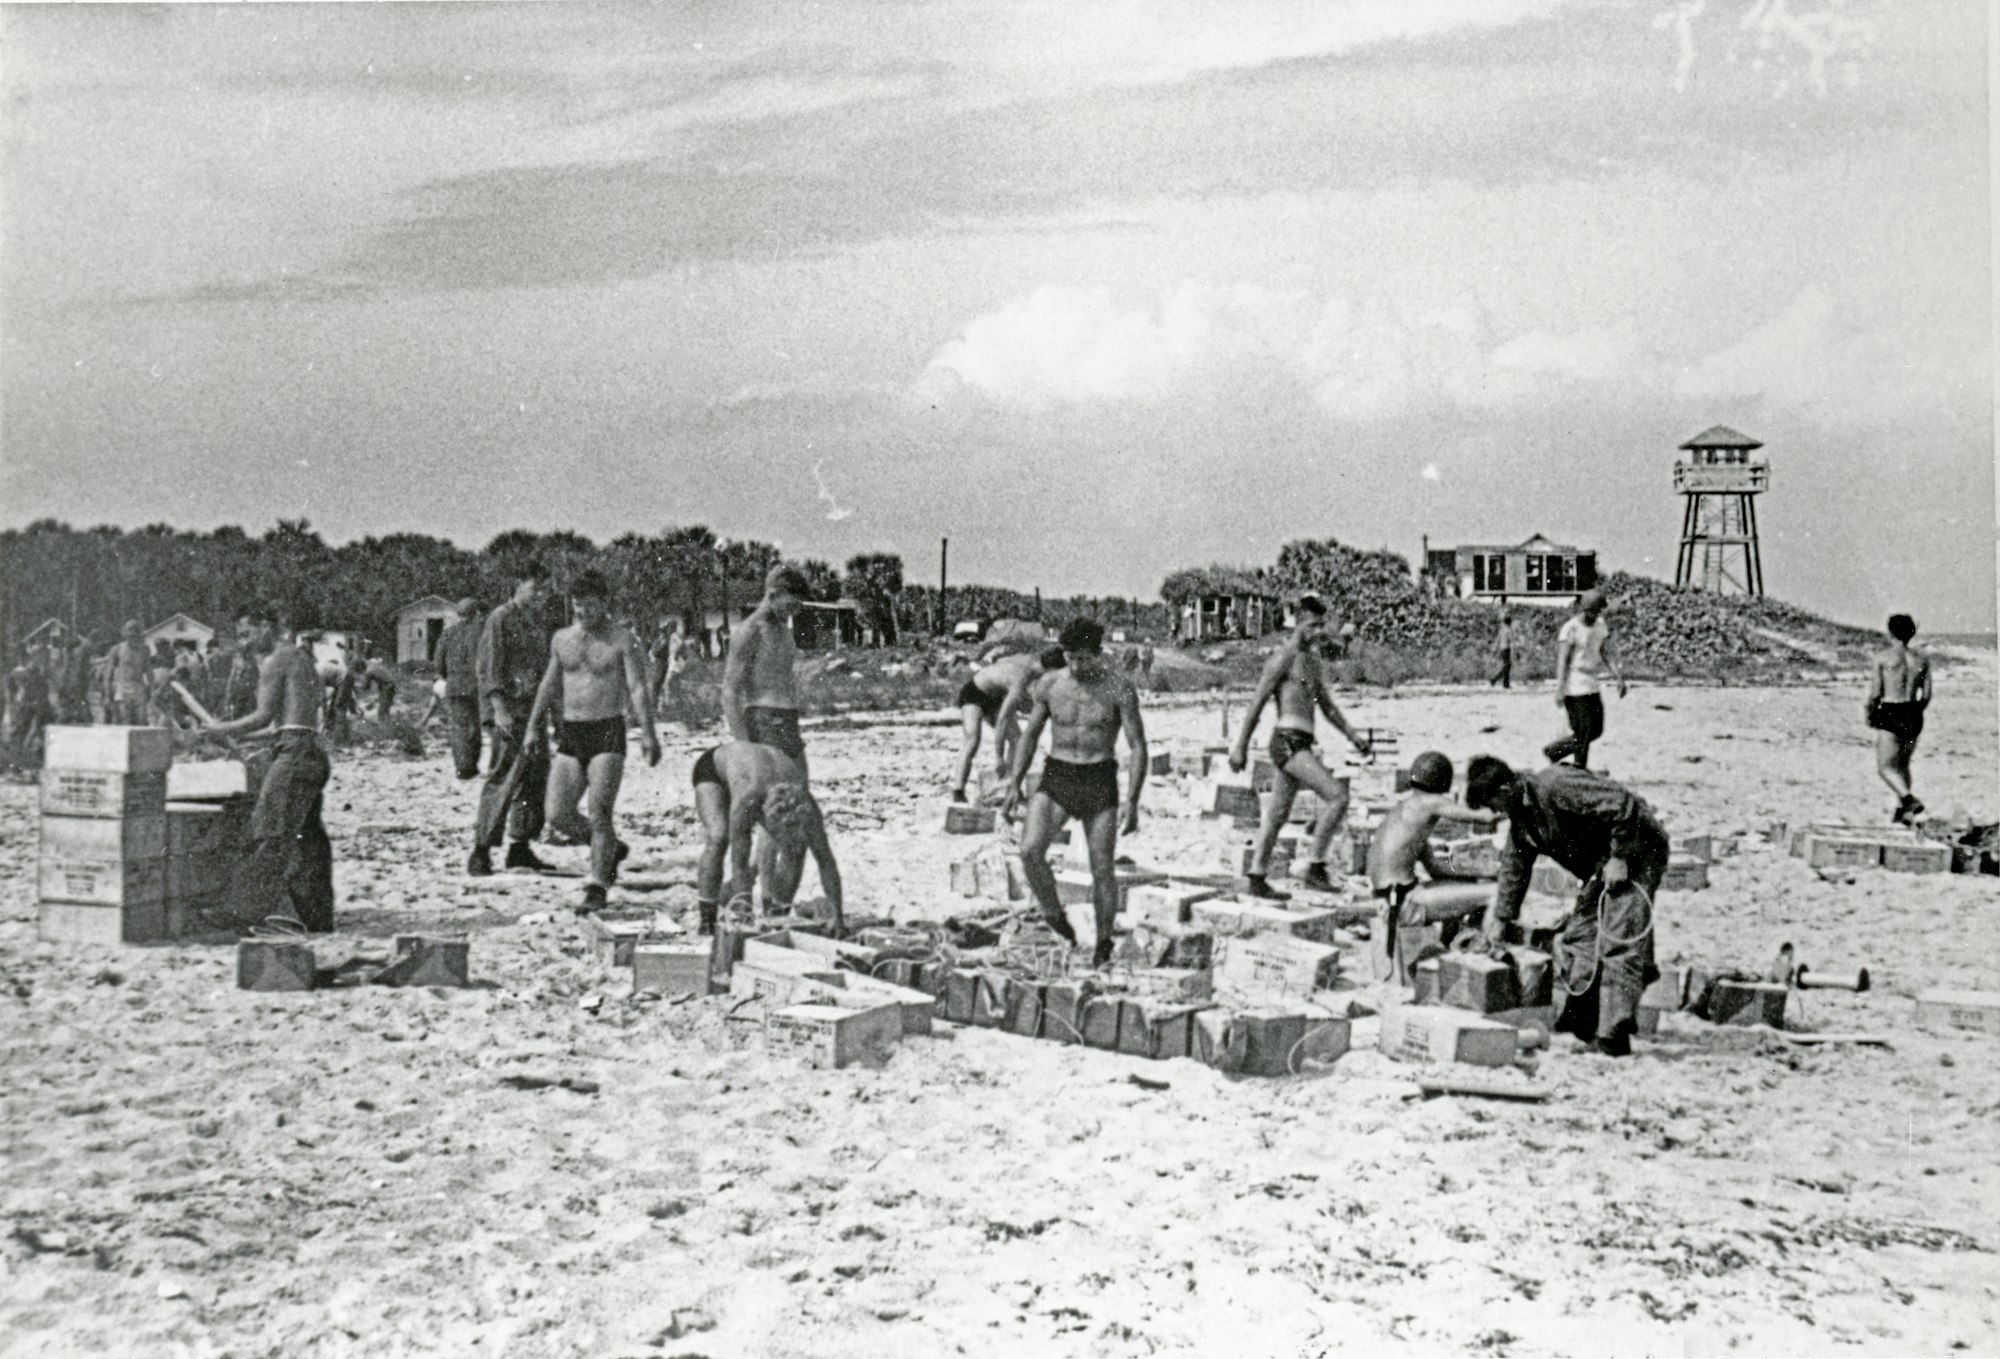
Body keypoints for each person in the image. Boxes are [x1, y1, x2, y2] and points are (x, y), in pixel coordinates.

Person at [1468, 754, 1668, 1058]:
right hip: (1600, 867)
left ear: (1506, 788)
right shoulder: (1522, 820)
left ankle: (1613, 1038)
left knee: (1618, 942)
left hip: (1638, 852)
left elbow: (1622, 803)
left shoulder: (1557, 785)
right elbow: (1514, 868)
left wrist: (1620, 856)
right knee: (1580, 938)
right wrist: (1501, 919)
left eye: (1492, 803)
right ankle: (1583, 1023)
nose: (1493, 812)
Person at [1002, 618, 1148, 968]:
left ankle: (1103, 942)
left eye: (1084, 658)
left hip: (1099, 778)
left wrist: (1133, 800)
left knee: (1102, 869)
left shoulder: (1119, 688)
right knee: (1029, 850)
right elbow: (1030, 736)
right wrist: (1014, 783)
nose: (1078, 666)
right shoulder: (1050, 685)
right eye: (1071, 658)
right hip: (1059, 774)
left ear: (1098, 654)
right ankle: (1055, 916)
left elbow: (1138, 745)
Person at [524, 570, 660, 912]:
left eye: (590, 606)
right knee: (557, 815)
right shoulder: (562, 639)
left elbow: (638, 688)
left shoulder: (622, 640)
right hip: (571, 731)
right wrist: (531, 727)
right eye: (577, 606)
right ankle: (610, 848)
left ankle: (597, 884)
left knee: (600, 812)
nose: (583, 613)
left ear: (605, 604)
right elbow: (548, 685)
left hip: (607, 731)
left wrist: (648, 732)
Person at [203, 605, 335, 933]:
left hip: (293, 756)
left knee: (268, 832)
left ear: (266, 626)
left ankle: (242, 911)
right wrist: (238, 734)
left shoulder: (275, 660)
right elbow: (285, 723)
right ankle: (317, 917)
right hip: (311, 752)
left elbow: (262, 716)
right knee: (307, 840)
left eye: (247, 635)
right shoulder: (300, 657)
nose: (243, 644)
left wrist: (222, 730)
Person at [1228, 595, 1372, 899]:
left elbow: (1328, 708)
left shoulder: (1313, 662)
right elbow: (1256, 703)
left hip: (1300, 742)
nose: (1317, 631)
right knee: (1337, 797)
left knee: (1277, 816)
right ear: (1297, 623)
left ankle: (1256, 876)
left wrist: (1353, 736)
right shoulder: (1283, 658)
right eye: (1311, 625)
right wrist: (1239, 746)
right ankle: (1314, 866)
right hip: (1287, 742)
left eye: (1321, 625)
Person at [1365, 751, 1499, 981]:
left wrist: (1481, 873)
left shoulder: (1405, 811)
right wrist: (1503, 808)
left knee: (1464, 887)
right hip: (1404, 904)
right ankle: (1483, 967)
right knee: (1495, 894)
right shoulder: (1430, 802)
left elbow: (1437, 870)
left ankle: (1451, 950)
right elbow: (1483, 817)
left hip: (1388, 900)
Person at [692, 740, 842, 936]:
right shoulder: (748, 797)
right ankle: (707, 922)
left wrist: (838, 916)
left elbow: (826, 861)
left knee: (796, 849)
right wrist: (743, 907)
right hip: (714, 768)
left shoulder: (808, 807)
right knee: (719, 836)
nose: (782, 836)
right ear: (764, 813)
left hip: (765, 770)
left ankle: (777, 917)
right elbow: (740, 862)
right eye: (779, 830)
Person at [469, 560, 555, 876]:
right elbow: (488, 669)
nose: (541, 594)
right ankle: (480, 850)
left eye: (545, 589)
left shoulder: (536, 622)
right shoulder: (500, 618)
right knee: (504, 777)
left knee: (536, 779)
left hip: (534, 714)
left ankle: (520, 847)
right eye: (536, 588)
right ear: (518, 585)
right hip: (511, 713)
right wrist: (499, 709)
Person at [724, 564, 811, 775]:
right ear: (773, 594)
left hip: (789, 721)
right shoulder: (750, 631)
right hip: (763, 722)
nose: (795, 611)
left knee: (799, 794)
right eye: (791, 605)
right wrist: (744, 746)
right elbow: (729, 692)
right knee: (773, 796)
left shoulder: (784, 630)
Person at [949, 645, 1065, 803]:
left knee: (1017, 740)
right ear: (1051, 669)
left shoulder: (1035, 668)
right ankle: (958, 791)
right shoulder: (1021, 677)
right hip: (974, 692)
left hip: (996, 697)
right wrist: (999, 757)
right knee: (972, 740)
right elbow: (1003, 718)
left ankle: (1008, 786)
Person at [1543, 589, 1624, 769]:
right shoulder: (1571, 628)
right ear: (1583, 609)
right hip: (1574, 684)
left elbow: (1605, 652)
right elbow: (1563, 661)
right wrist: (1560, 689)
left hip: (1591, 683)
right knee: (1583, 729)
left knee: (1596, 729)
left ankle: (1556, 751)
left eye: (1596, 612)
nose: (1593, 616)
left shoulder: (1600, 626)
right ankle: (1580, 767)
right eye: (1590, 612)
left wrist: (1618, 676)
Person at [1866, 613, 1932, 824]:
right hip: (1913, 711)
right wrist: (1916, 710)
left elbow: (1876, 692)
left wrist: (1870, 712)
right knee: (1902, 765)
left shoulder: (1883, 658)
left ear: (1890, 632)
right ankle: (1903, 811)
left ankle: (1908, 800)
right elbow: (1927, 694)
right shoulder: (1922, 659)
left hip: (1892, 709)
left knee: (1885, 767)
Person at [435, 597, 487, 779]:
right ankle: (472, 765)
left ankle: (463, 768)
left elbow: (438, 664)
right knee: (475, 726)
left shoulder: (447, 633)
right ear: (475, 613)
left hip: (455, 686)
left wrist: (443, 677)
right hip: (476, 686)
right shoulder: (482, 632)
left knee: (459, 727)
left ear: (458, 613)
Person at [105, 621, 150, 726]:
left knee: (142, 719)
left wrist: (151, 688)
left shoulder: (144, 650)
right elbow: (109, 673)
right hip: (123, 688)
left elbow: (148, 670)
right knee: (125, 721)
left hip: (139, 687)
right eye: (130, 635)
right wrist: (107, 695)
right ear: (125, 635)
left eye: (135, 635)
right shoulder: (117, 649)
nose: (133, 638)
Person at [650, 618, 691, 715]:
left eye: (666, 630)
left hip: (669, 665)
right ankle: (659, 708)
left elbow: (681, 647)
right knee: (659, 686)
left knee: (667, 685)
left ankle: (667, 707)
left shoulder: (672, 638)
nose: (664, 633)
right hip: (661, 666)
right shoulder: (660, 641)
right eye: (663, 631)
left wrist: (678, 654)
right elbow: (655, 653)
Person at [1491, 610, 1515, 689]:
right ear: (1510, 622)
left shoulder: (1502, 630)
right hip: (1506, 649)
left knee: (1506, 666)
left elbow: (1497, 640)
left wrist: (1494, 650)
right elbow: (1511, 641)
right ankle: (1496, 679)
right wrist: (1514, 651)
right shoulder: (1509, 630)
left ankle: (1504, 683)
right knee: (1507, 666)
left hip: (1501, 649)